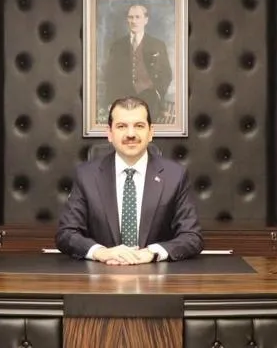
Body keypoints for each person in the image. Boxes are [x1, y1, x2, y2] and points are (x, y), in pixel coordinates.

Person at [56, 96, 202, 265]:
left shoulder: (175, 176)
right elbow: (66, 234)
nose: (131, 134)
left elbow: (192, 236)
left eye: (139, 126)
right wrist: (101, 252)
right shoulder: (86, 176)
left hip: (155, 274)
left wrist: (152, 253)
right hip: (102, 273)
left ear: (151, 132)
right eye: (121, 126)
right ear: (109, 133)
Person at [101, 4, 173, 123]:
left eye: (138, 17)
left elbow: (166, 74)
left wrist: (157, 93)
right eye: (131, 17)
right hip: (123, 100)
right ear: (127, 19)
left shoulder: (157, 45)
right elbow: (110, 76)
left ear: (146, 20)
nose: (134, 21)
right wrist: (111, 101)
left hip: (150, 100)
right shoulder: (117, 46)